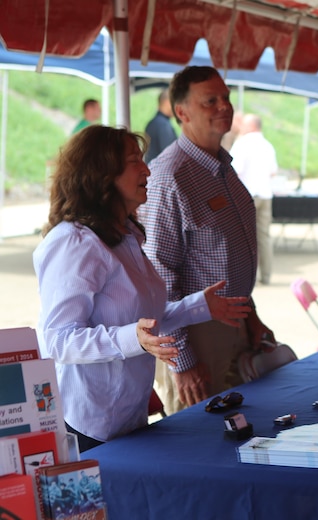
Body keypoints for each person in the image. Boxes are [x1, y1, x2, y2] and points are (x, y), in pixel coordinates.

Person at [33, 126, 251, 452]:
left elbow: (142, 321)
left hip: (128, 419)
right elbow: (57, 340)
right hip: (88, 426)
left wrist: (199, 306)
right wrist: (131, 339)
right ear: (102, 174)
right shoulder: (74, 242)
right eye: (134, 161)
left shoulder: (126, 235)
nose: (146, 169)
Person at [139, 66, 277, 414]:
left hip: (235, 324)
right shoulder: (169, 176)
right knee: (201, 447)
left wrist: (251, 316)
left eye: (226, 98)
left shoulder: (222, 167)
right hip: (196, 334)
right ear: (182, 112)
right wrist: (182, 361)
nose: (224, 107)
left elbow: (229, 259)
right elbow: (159, 278)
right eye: (210, 101)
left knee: (243, 435)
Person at [230, 113, 278, 285]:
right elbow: (273, 171)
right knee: (264, 237)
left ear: (251, 126)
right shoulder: (268, 146)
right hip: (265, 194)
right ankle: (266, 276)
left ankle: (247, 277)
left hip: (246, 195)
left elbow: (234, 170)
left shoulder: (242, 144)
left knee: (243, 237)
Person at [143, 87, 178, 163]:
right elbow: (172, 154)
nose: (177, 107)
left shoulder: (153, 123)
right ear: (167, 103)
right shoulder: (163, 125)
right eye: (175, 102)